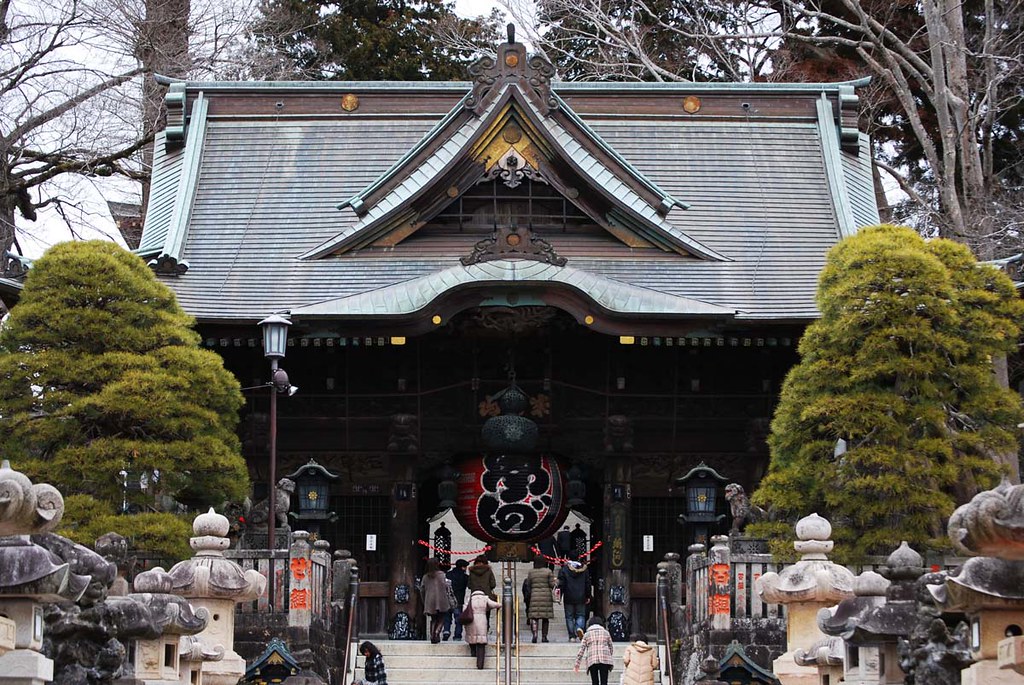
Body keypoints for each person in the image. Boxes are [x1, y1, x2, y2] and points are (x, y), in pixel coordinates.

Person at [464, 588, 500, 669]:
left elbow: (464, 609)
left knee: (471, 637)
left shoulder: (470, 599)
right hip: (482, 620)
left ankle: (473, 652)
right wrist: (500, 604)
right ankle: (480, 664)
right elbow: (495, 604)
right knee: (481, 642)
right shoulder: (485, 598)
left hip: (471, 620)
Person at [558, 556, 590, 641]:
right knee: (580, 615)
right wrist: (588, 595)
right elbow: (587, 584)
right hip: (581, 596)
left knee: (569, 617)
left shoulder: (564, 569)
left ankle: (572, 636)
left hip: (568, 596)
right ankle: (579, 628)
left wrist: (560, 595)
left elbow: (561, 584)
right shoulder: (584, 570)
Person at [574, 616, 614, 685]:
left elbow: (581, 650)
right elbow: (610, 646)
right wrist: (609, 655)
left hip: (592, 660)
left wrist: (577, 664)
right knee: (604, 681)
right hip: (604, 659)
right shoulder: (606, 633)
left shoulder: (587, 634)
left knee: (594, 682)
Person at [525, 557, 556, 643]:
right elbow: (552, 584)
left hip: (534, 596)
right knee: (545, 618)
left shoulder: (531, 572)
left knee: (534, 617)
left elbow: (528, 584)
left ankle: (535, 634)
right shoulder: (548, 571)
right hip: (546, 596)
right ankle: (544, 637)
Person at [419, 558, 449, 644]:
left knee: (433, 619)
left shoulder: (425, 577)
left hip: (430, 600)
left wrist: (424, 600)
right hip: (441, 600)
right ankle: (436, 633)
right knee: (442, 618)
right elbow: (447, 587)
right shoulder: (442, 575)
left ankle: (432, 635)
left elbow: (422, 589)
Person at [443, 558, 469, 641]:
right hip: (459, 600)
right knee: (458, 619)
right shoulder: (465, 577)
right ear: (463, 567)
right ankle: (457, 635)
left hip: (448, 599)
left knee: (447, 617)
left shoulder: (448, 574)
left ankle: (446, 630)